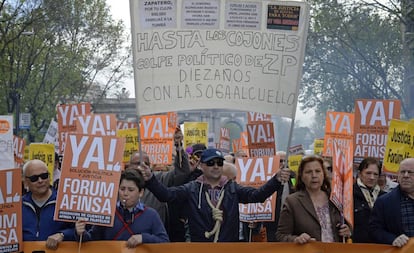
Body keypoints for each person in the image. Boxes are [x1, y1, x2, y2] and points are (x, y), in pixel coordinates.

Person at [139, 148, 291, 242]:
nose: (216, 166)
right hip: (201, 248)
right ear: (201, 166)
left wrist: (276, 180)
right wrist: (150, 179)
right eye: (211, 163)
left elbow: (257, 196)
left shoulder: (232, 188)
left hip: (227, 248)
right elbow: (166, 196)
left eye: (219, 162)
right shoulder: (192, 189)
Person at [75, 169, 168, 246]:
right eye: (122, 189)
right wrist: (81, 233)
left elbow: (165, 242)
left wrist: (143, 238)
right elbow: (92, 240)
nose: (125, 193)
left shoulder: (151, 215)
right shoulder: (108, 212)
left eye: (131, 190)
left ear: (141, 192)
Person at [276, 155, 351, 243]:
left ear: (323, 174)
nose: (314, 175)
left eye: (318, 171)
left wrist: (348, 231)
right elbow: (281, 235)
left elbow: (348, 226)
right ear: (302, 177)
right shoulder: (293, 201)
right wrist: (296, 239)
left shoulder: (336, 198)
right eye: (308, 172)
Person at [22, 159, 75, 250]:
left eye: (44, 176)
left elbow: (80, 231)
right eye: (34, 178)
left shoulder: (65, 202)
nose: (40, 180)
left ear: (49, 177)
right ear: (26, 182)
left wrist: (63, 235)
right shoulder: (18, 206)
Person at [369, 157, 414, 248]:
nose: (405, 175)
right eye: (402, 172)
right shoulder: (384, 202)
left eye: (410, 172)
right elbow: (374, 230)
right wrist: (392, 239)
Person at [263, 151, 296, 242]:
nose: (283, 164)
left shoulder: (293, 176)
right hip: (272, 220)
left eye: (285, 161)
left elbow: (297, 189)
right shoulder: (267, 176)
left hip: (289, 218)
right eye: (280, 161)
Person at [353, 157, 385, 243]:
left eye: (375, 174)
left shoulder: (385, 196)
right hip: (356, 246)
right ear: (359, 174)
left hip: (379, 246)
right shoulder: (349, 194)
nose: (372, 177)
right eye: (368, 173)